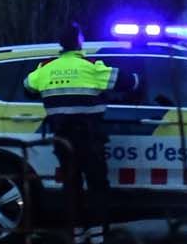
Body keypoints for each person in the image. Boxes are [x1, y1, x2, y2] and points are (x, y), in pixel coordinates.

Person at [25, 23, 132, 224]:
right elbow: (127, 83)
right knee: (96, 184)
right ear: (80, 41)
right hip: (89, 137)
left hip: (62, 138)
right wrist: (137, 80)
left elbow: (27, 87)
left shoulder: (46, 69)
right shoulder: (91, 67)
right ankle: (98, 234)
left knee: (71, 186)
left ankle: (75, 233)